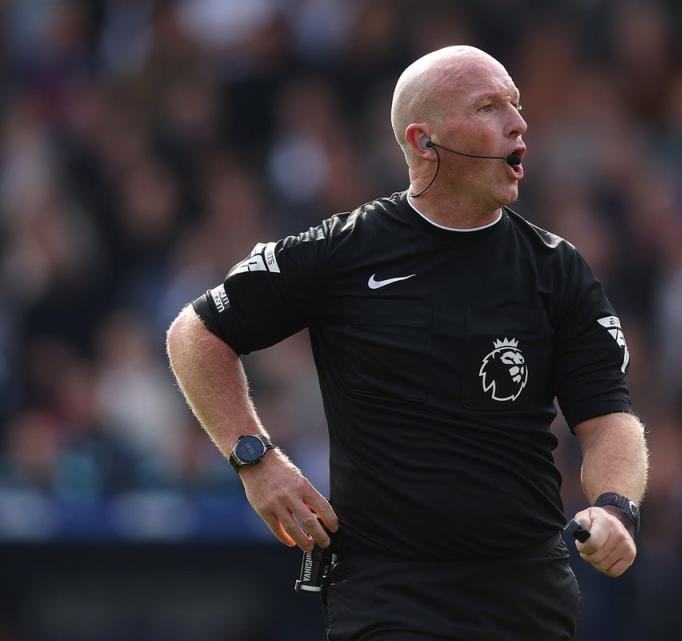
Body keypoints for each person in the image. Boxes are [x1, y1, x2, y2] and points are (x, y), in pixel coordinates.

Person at [166, 45, 648, 641]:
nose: (519, 123)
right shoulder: (345, 251)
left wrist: (616, 506)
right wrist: (256, 460)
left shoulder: (556, 270)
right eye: (490, 106)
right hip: (389, 592)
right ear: (425, 142)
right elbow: (195, 331)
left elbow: (607, 418)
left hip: (526, 589)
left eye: (517, 106)